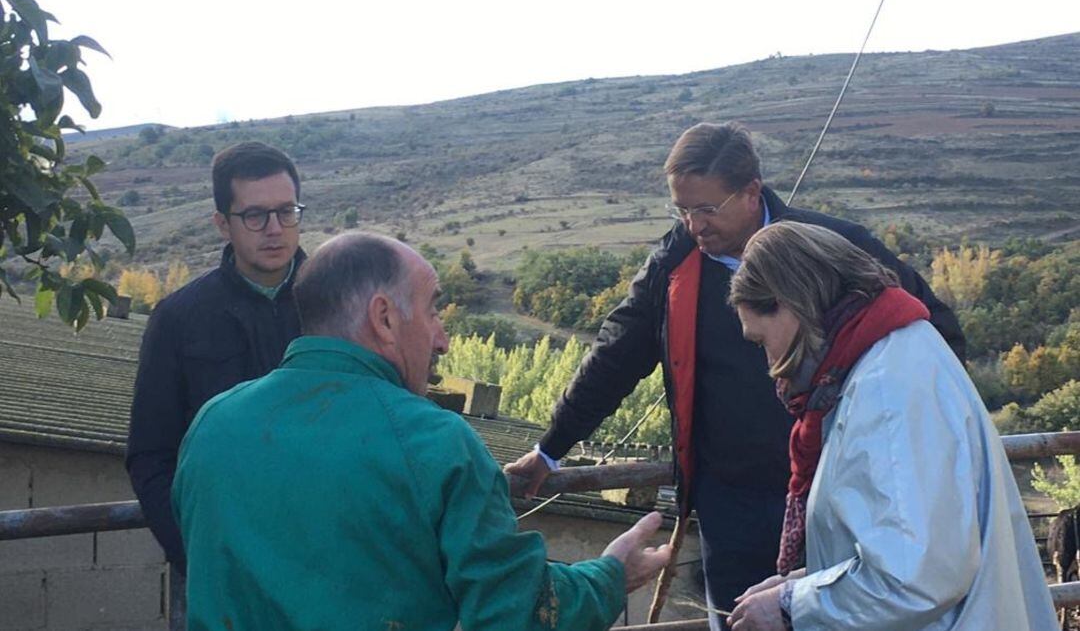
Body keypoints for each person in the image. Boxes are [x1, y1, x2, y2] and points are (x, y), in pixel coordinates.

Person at [506, 122, 966, 627]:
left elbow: (932, 334)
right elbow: (617, 356)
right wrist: (552, 448)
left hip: (837, 489)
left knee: (838, 613)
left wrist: (913, 444)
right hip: (732, 500)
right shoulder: (675, 265)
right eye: (682, 209)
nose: (694, 224)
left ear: (751, 192)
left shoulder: (834, 250)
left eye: (706, 208)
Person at [172, 232, 673, 630]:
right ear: (384, 318)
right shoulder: (435, 442)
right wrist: (609, 577)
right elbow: (515, 614)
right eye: (433, 309)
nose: (443, 339)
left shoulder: (212, 422)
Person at [726, 222, 1056, 630]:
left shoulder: (887, 390)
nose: (770, 363)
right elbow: (897, 542)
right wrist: (799, 585)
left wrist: (793, 606)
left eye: (761, 340)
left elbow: (914, 579)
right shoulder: (888, 359)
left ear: (790, 303)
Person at [126, 141, 307, 568]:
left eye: (287, 211)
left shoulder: (341, 306)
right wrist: (199, 554)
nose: (275, 228)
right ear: (223, 224)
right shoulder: (178, 319)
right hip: (225, 568)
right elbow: (151, 457)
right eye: (255, 216)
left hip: (331, 562)